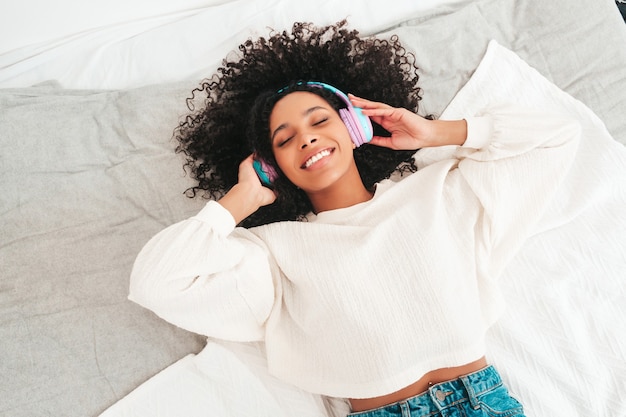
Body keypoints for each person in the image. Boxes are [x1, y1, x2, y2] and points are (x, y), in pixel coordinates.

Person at [129, 21, 580, 417]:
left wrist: (436, 131)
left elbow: (558, 136)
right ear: (271, 165)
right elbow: (155, 284)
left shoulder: (438, 192)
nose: (307, 139)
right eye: (285, 140)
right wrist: (242, 199)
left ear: (355, 126)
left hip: (485, 402)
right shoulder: (273, 250)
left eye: (319, 120)